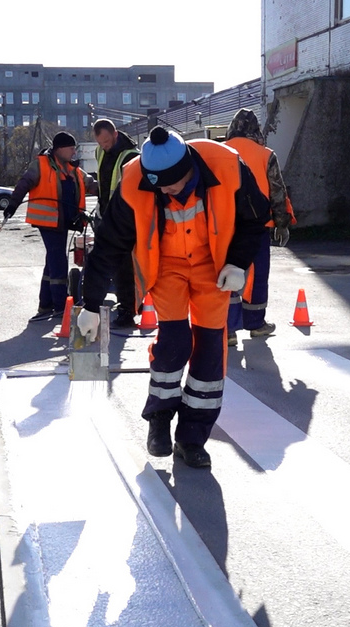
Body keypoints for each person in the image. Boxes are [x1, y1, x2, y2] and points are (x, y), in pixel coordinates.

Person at [77, 126, 269, 468]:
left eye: (172, 184)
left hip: (214, 266)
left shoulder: (226, 165)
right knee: (174, 342)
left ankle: (192, 438)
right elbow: (108, 244)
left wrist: (238, 263)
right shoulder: (136, 180)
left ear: (190, 170)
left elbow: (255, 219)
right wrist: (91, 304)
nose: (165, 190)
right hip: (166, 267)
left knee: (211, 349)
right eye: (159, 186)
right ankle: (159, 420)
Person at [223, 108, 295, 347]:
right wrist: (281, 223)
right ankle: (255, 324)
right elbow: (277, 190)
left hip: (224, 224)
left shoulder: (221, 152)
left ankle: (228, 329)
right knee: (256, 275)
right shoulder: (265, 154)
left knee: (226, 272)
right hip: (257, 223)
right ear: (255, 129)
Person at [4, 132, 87, 322]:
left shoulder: (71, 169)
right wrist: (12, 205)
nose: (74, 151)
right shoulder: (41, 165)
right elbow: (23, 184)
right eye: (71, 147)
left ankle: (45, 304)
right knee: (58, 260)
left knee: (52, 261)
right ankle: (60, 306)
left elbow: (91, 184)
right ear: (59, 149)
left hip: (64, 222)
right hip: (48, 222)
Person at [91, 118, 141, 328]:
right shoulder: (100, 152)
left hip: (124, 218)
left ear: (115, 134)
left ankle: (127, 310)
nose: (104, 146)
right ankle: (101, 305)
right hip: (105, 215)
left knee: (124, 266)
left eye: (106, 141)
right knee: (104, 261)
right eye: (100, 142)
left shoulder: (131, 156)